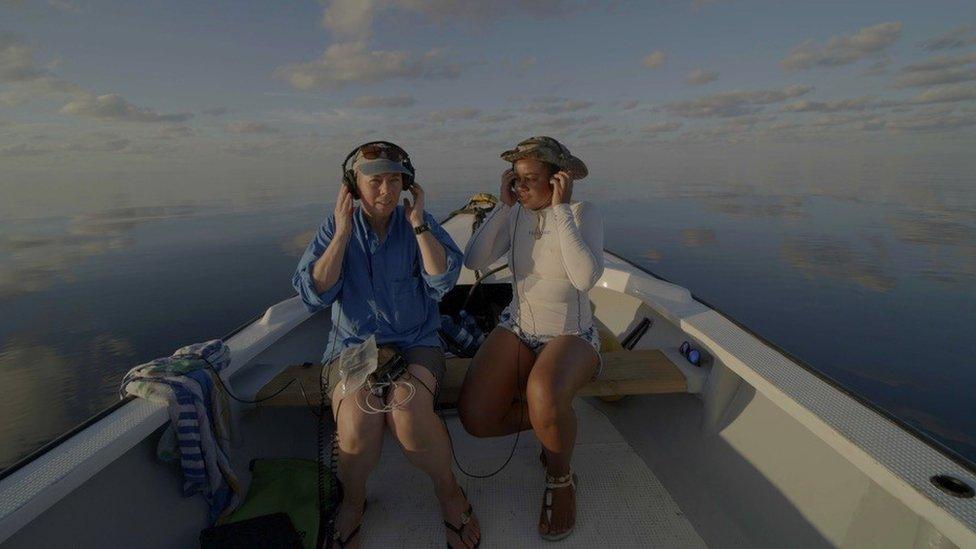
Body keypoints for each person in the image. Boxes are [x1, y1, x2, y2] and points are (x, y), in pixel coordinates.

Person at [292, 141, 481, 548]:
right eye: (374, 181)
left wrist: (417, 224)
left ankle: (449, 493)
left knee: (409, 410)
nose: (385, 191)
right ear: (353, 186)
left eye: (394, 180)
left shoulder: (419, 222)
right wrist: (342, 234)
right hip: (352, 346)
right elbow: (314, 295)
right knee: (359, 419)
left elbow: (442, 282)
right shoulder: (334, 227)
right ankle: (354, 502)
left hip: (416, 343)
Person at [458, 136, 604, 541]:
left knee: (542, 389)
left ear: (559, 180)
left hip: (573, 333)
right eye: (516, 180)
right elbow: (473, 260)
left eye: (530, 180)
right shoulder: (516, 213)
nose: (520, 189)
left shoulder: (581, 212)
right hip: (519, 326)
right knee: (476, 417)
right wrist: (504, 208)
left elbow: (585, 277)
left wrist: (559, 211)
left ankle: (560, 477)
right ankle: (552, 422)